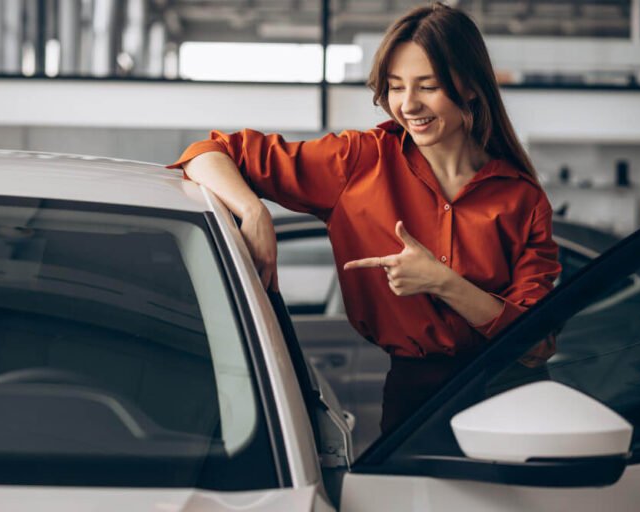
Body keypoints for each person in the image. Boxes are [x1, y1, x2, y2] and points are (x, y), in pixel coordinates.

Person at [167, 2, 561, 433]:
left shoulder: (521, 197)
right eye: (395, 87)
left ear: (469, 86)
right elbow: (207, 153)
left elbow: (535, 344)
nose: (407, 105)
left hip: (512, 402)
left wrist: (440, 281)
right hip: (415, 403)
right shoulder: (360, 161)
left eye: (427, 86)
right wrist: (253, 211)